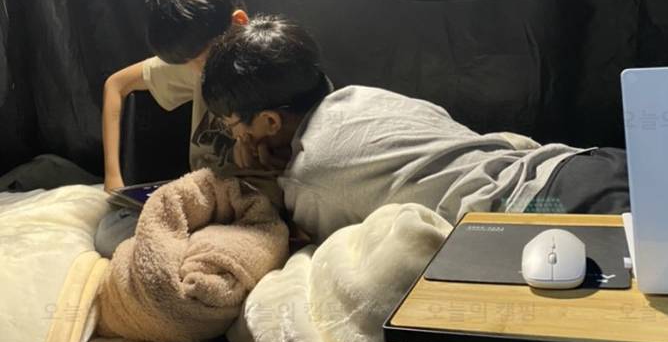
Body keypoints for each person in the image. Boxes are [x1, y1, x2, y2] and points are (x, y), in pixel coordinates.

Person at [202, 15, 630, 244]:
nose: (233, 136)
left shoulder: (309, 180)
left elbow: (332, 248)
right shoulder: (363, 96)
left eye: (232, 124)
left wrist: (276, 176)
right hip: (582, 164)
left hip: (546, 209)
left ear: (270, 121)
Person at [96, 0, 277, 257]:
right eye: (186, 63)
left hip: (253, 206)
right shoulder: (194, 63)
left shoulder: (279, 73)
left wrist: (262, 150)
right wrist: (112, 176)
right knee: (111, 231)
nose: (197, 71)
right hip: (201, 199)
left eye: (199, 60)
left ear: (239, 23)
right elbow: (115, 85)